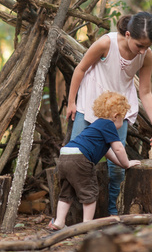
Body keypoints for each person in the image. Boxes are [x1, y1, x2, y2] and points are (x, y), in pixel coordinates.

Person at [66, 11, 152, 216]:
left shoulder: (146, 56)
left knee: (117, 166)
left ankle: (112, 212)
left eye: (147, 46)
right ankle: (69, 215)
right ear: (128, 35)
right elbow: (81, 69)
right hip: (91, 103)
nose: (143, 50)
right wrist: (72, 101)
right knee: (76, 158)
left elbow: (145, 92)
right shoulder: (106, 43)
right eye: (139, 45)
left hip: (118, 111)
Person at [47, 92, 141, 231]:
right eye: (123, 118)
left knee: (66, 192)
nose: (123, 122)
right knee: (89, 193)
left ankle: (59, 222)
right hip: (80, 159)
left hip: (65, 155)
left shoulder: (98, 125)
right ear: (116, 116)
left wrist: (121, 164)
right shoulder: (109, 125)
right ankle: (87, 225)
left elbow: (108, 153)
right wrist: (127, 164)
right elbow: (119, 149)